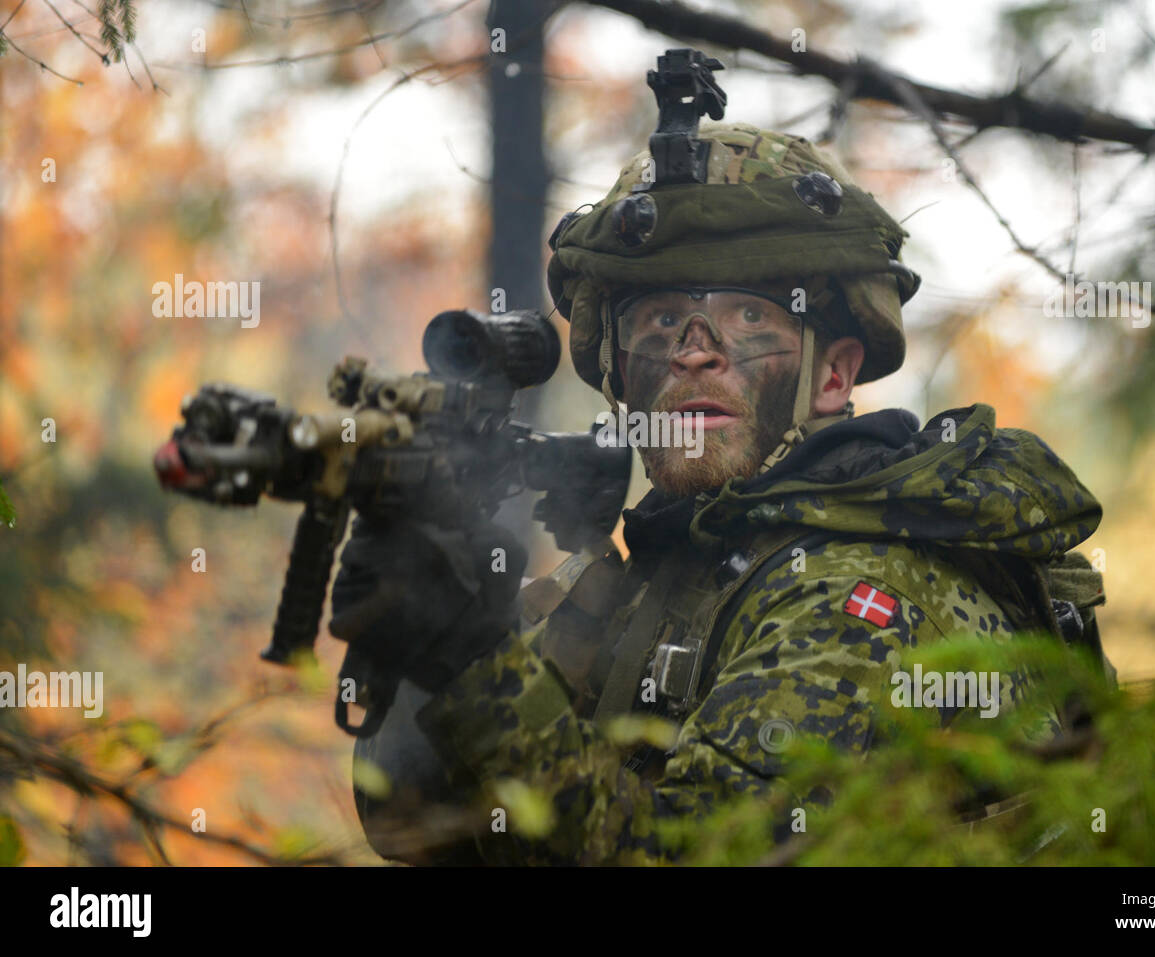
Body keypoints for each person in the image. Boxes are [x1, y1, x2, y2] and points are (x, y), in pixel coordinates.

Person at [329, 118, 1110, 866]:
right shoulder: (666, 569)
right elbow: (415, 825)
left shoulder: (857, 593)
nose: (693, 354)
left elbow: (697, 854)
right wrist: (434, 631)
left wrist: (478, 664)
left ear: (832, 376)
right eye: (663, 318)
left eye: (746, 315)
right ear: (619, 375)